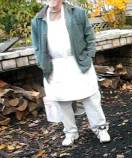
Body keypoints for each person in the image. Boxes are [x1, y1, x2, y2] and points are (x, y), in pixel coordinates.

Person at [31, 0, 111, 146]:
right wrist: (41, 62)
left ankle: (101, 128)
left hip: (78, 62)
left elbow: (89, 37)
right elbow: (36, 46)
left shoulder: (77, 13)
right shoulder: (38, 19)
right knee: (62, 101)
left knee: (90, 97)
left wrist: (89, 55)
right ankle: (71, 132)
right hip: (54, 65)